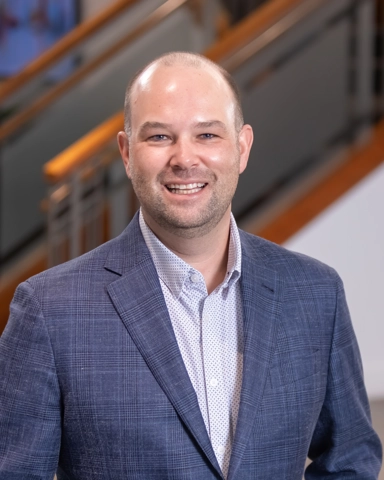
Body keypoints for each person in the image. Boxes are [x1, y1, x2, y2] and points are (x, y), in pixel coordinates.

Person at [0, 51, 382, 480]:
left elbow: (350, 460)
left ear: (241, 148)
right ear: (127, 154)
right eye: (160, 137)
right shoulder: (49, 311)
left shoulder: (316, 293)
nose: (184, 158)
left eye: (207, 135)